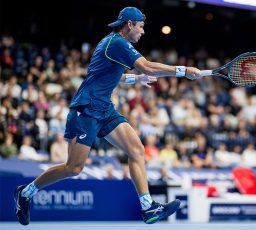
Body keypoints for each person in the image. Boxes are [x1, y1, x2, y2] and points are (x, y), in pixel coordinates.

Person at [14, 6, 202, 225]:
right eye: (140, 27)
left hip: (104, 108)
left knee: (136, 150)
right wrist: (184, 70)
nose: (142, 31)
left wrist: (135, 80)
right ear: (129, 25)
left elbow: (110, 76)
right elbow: (148, 67)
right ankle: (26, 192)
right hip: (86, 109)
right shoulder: (118, 43)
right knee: (74, 168)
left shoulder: (114, 43)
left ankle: (148, 207)